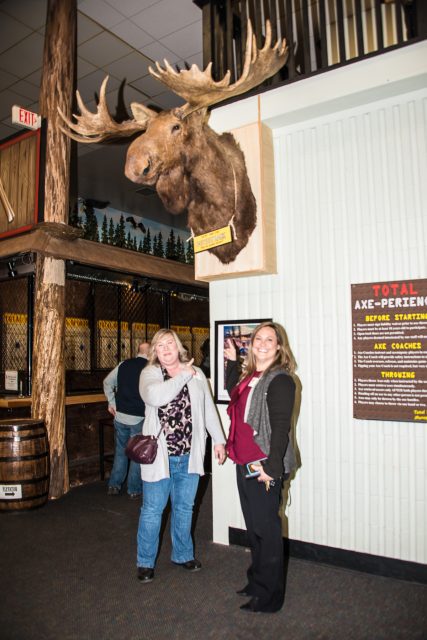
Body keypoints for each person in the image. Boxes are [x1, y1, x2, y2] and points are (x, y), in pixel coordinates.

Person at [136, 328, 226, 583]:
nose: (165, 349)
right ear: (155, 351)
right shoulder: (150, 373)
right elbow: (155, 396)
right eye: (160, 345)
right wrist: (183, 376)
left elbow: (208, 409)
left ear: (178, 347)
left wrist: (219, 439)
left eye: (170, 343)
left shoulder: (197, 374)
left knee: (185, 508)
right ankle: (145, 562)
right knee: (153, 510)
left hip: (189, 454)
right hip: (159, 457)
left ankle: (183, 554)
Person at [224, 321, 297, 614]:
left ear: (279, 347)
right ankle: (257, 582)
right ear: (252, 345)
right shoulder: (251, 376)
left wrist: (272, 466)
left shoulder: (281, 380)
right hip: (244, 461)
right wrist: (232, 363)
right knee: (254, 528)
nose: (263, 344)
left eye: (269, 339)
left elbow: (280, 428)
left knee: (266, 530)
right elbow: (234, 393)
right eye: (258, 339)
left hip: (263, 463)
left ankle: (269, 597)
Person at [103, 342, 150, 499]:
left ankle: (114, 485)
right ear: (150, 353)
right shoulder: (150, 368)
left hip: (121, 416)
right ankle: (134, 489)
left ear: (138, 351)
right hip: (139, 417)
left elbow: (107, 382)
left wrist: (112, 403)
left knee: (121, 452)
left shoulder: (123, 364)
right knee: (136, 454)